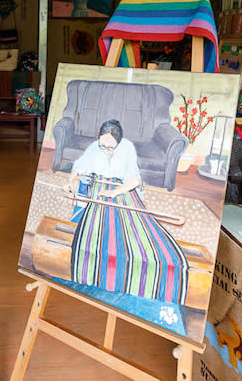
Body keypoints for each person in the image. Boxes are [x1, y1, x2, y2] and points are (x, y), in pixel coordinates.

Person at [66, 119, 188, 303]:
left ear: (119, 142)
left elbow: (134, 181)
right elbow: (79, 166)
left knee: (127, 230)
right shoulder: (94, 147)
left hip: (120, 189)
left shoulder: (127, 148)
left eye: (110, 147)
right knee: (86, 225)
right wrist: (70, 182)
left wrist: (114, 192)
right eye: (103, 146)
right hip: (98, 186)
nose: (106, 150)